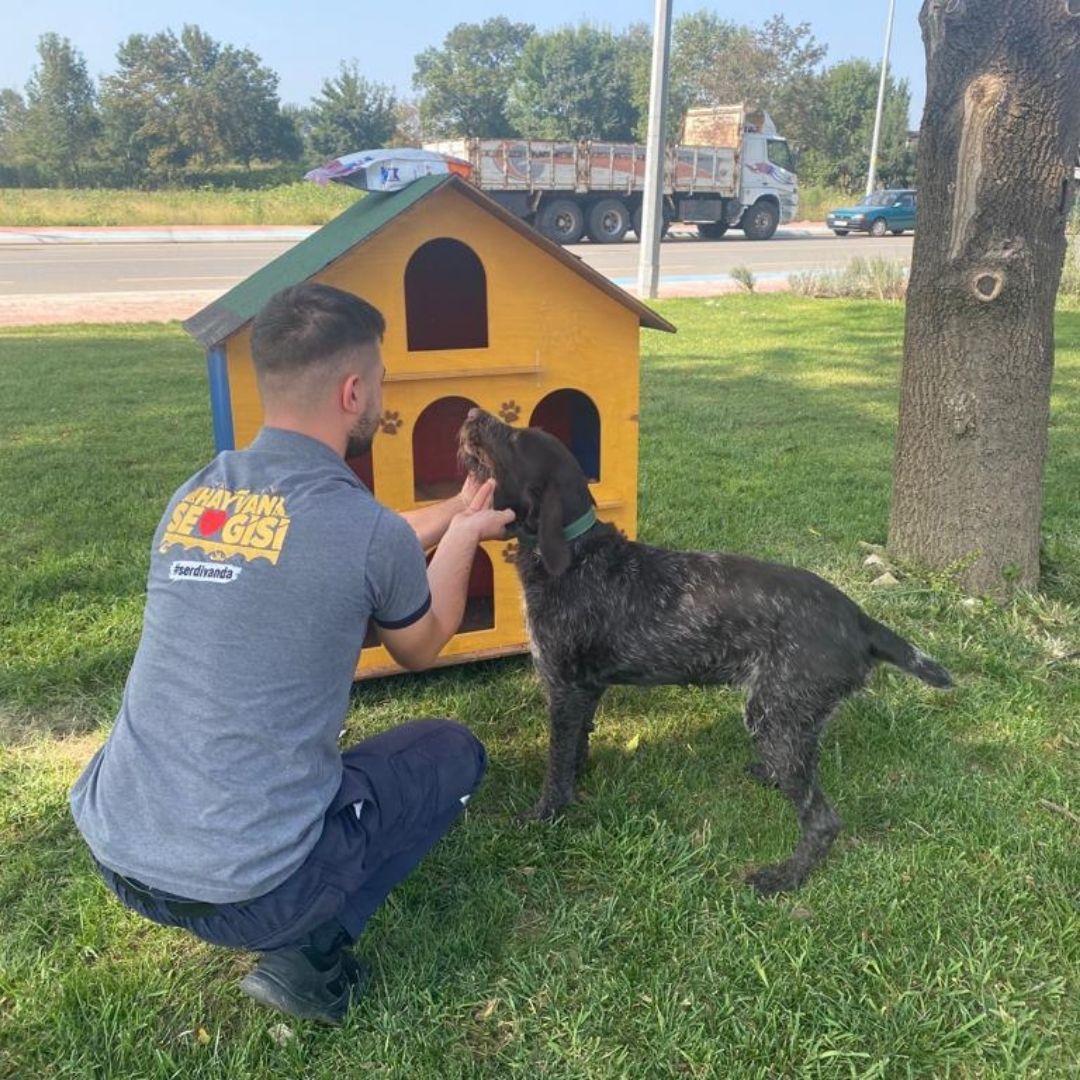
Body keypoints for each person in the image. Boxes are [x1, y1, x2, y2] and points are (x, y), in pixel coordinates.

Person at [69, 282, 514, 1025]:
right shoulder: (363, 531)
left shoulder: (199, 496)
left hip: (119, 848)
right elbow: (421, 642)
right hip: (251, 891)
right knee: (451, 752)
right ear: (351, 391)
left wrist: (450, 511)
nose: (381, 398)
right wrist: (467, 536)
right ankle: (309, 959)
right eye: (379, 383)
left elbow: (341, 540)